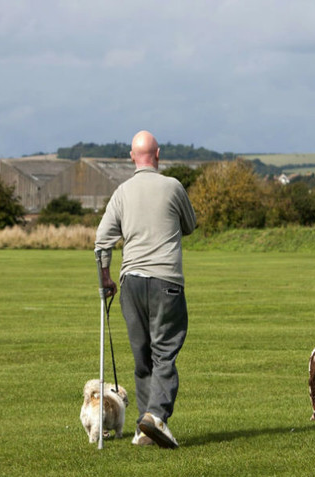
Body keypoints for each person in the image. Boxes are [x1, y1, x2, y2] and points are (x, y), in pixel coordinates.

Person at [94, 130, 196, 449]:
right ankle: (155, 417)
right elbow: (190, 226)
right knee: (164, 351)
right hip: (166, 280)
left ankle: (144, 426)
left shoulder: (122, 192)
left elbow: (102, 241)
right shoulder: (174, 186)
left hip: (131, 281)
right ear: (158, 155)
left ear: (131, 157)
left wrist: (106, 278)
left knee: (142, 357)